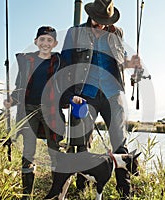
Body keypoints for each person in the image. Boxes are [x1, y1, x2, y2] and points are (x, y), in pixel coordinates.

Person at [61, 0, 142, 198]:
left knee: (120, 144)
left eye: (105, 21)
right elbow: (64, 65)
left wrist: (134, 66)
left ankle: (125, 192)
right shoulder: (75, 33)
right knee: (81, 142)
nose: (101, 25)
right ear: (91, 15)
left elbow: (121, 59)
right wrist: (70, 95)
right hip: (84, 95)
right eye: (97, 21)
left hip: (113, 93)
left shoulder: (118, 33)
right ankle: (82, 188)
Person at [4, 26, 65, 199]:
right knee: (28, 151)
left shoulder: (59, 62)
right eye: (42, 39)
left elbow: (65, 86)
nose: (45, 43)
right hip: (28, 110)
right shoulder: (26, 62)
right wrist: (12, 100)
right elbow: (20, 87)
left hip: (51, 111)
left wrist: (71, 99)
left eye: (49, 40)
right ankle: (26, 194)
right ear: (36, 42)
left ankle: (56, 193)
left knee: (55, 150)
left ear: (55, 44)